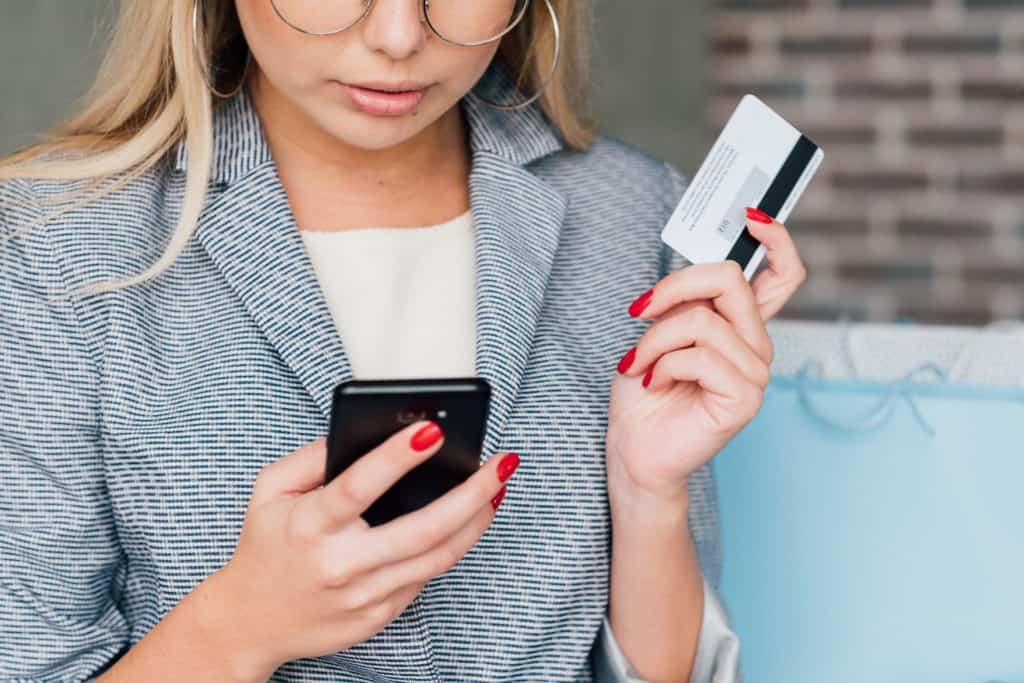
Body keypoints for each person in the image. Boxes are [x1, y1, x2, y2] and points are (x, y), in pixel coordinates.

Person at [0, 1, 806, 681]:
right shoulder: (53, 243)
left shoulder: (628, 214)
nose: (395, 36)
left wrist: (646, 491)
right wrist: (239, 623)